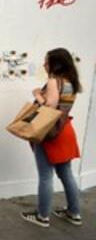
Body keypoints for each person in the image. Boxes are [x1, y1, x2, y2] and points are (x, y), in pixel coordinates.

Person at [21, 48, 83, 227]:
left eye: (47, 61)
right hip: (65, 131)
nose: (44, 64)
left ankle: (42, 216)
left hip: (49, 134)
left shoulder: (54, 81)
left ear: (55, 64)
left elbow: (49, 106)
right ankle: (74, 212)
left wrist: (37, 95)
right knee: (66, 174)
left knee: (46, 176)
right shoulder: (71, 82)